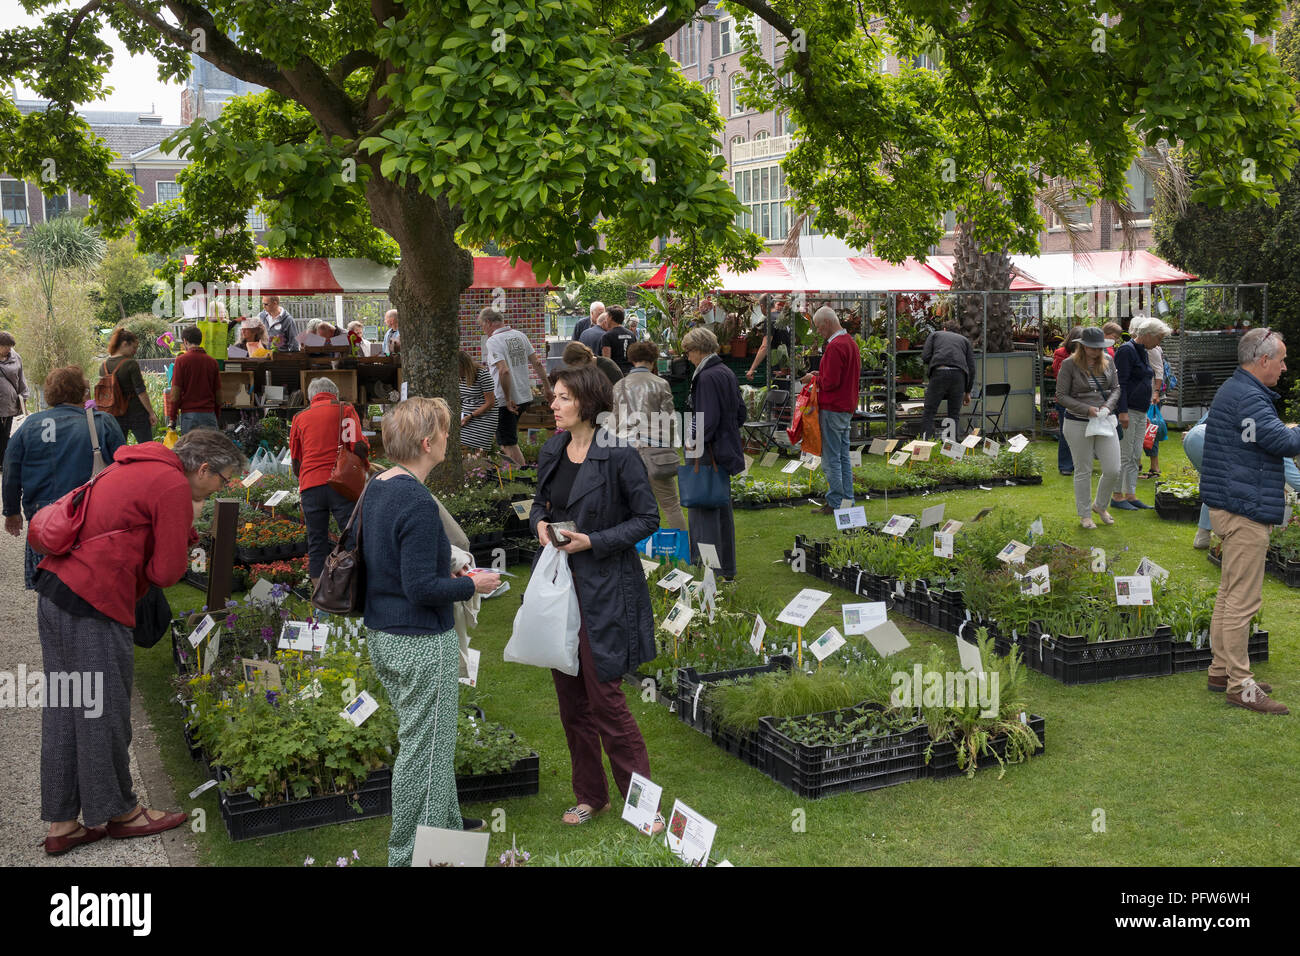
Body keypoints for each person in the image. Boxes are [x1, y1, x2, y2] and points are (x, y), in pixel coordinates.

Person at [32, 428, 246, 854]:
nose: (223, 487)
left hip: (57, 592)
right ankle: (122, 813)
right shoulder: (170, 485)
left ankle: (63, 824)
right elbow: (167, 572)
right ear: (203, 469)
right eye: (223, 480)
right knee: (104, 709)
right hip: (94, 600)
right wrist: (187, 523)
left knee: (65, 708)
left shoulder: (138, 463)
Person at [362, 397, 501, 864]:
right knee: (424, 753)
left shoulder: (378, 484)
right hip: (419, 639)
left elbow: (392, 567)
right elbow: (421, 587)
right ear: (427, 442)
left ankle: (444, 823)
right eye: (444, 431)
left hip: (384, 633)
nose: (448, 437)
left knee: (428, 742)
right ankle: (408, 855)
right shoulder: (418, 501)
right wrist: (472, 584)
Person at [530, 365, 660, 827]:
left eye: (562, 397)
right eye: (554, 397)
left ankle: (642, 805)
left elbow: (647, 519)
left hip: (605, 589)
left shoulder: (619, 455)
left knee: (606, 698)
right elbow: (539, 506)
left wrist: (594, 541)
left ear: (585, 402)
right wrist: (542, 527)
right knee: (571, 700)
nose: (553, 405)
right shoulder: (552, 451)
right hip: (559, 587)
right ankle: (591, 795)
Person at [1199, 327, 1298, 714]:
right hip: (1244, 508)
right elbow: (1283, 442)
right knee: (1243, 599)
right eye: (1281, 360)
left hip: (1232, 503)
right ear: (1263, 360)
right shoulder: (1249, 396)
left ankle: (1220, 671)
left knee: (1229, 592)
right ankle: (1240, 685)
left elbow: (1263, 438)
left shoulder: (1238, 390)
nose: (1284, 367)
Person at [3, 366, 126, 588]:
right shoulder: (102, 423)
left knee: (49, 586)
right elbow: (125, 469)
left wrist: (12, 511)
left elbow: (11, 470)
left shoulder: (29, 425)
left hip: (43, 518)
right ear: (83, 392)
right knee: (90, 582)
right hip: (89, 515)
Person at [290, 377, 370, 587]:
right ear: (334, 394)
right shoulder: (345, 409)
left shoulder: (299, 417)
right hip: (340, 484)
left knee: (316, 542)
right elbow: (358, 446)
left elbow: (296, 461)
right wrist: (365, 463)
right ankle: (354, 590)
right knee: (351, 537)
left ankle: (320, 599)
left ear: (310, 397)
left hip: (310, 486)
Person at [1183, 412, 1300, 550]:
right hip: (1208, 441)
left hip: (1197, 436)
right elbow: (1295, 480)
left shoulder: (1272, 432)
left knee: (1216, 486)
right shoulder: (1281, 444)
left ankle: (1203, 537)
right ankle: (1225, 539)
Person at [682, 327, 745, 580]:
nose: (687, 357)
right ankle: (725, 569)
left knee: (702, 510)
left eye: (688, 351)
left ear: (698, 349)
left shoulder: (706, 376)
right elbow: (742, 413)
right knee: (721, 509)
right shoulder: (726, 371)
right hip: (723, 447)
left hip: (706, 451)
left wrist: (691, 441)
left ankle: (709, 571)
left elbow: (705, 419)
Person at [609, 340, 687, 531]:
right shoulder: (661, 384)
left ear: (631, 359)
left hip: (627, 452)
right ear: (654, 359)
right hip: (656, 451)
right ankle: (684, 551)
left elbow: (614, 421)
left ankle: (638, 552)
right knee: (670, 505)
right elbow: (669, 419)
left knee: (631, 505)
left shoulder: (619, 385)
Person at [1055, 327, 1121, 529]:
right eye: (1092, 348)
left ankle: (1100, 505)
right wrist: (1086, 409)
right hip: (1077, 422)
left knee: (1113, 469)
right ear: (1082, 346)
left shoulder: (1108, 362)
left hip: (1103, 420)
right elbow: (1061, 396)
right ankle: (1084, 515)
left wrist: (1107, 407)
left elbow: (1116, 389)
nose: (1096, 351)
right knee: (1083, 469)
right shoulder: (1069, 365)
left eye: (1099, 347)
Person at [802, 306, 860, 516]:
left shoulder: (835, 346)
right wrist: (822, 372)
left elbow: (831, 382)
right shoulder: (849, 343)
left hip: (833, 407)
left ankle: (836, 501)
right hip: (845, 407)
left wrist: (814, 378)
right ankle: (847, 500)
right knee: (843, 456)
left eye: (818, 327)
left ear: (826, 323)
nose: (818, 332)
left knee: (831, 458)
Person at [479, 307, 553, 467]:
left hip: (504, 401)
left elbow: (503, 371)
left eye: (482, 325)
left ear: (488, 322)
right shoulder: (520, 335)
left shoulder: (493, 341)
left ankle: (523, 476)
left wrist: (507, 399)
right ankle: (500, 471)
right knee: (502, 437)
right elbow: (537, 363)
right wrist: (547, 388)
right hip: (524, 396)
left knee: (508, 443)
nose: (483, 329)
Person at [1111, 315, 1171, 510]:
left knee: (1136, 453)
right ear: (1148, 335)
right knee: (1125, 453)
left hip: (1141, 409)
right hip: (1129, 410)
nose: (1159, 343)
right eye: (1159, 338)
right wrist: (1123, 411)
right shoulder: (1126, 351)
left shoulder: (1143, 350)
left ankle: (1131, 493)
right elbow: (1121, 384)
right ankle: (1117, 495)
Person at [101, 328, 160, 445]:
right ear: (124, 344)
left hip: (115, 413)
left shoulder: (103, 366)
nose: (135, 351)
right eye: (134, 347)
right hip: (136, 413)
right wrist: (151, 413)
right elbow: (140, 391)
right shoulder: (130, 363)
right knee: (146, 447)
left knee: (119, 450)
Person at [919, 318, 976, 439]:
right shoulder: (964, 341)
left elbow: (925, 356)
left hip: (939, 372)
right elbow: (971, 368)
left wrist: (936, 362)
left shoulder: (935, 335)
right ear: (957, 332)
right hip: (959, 376)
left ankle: (926, 444)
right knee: (954, 414)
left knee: (929, 411)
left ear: (944, 329)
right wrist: (968, 391)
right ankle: (952, 447)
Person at [169, 324, 222, 434]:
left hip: (189, 416)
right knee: (210, 449)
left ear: (185, 341)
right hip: (209, 415)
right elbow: (218, 394)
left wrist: (172, 418)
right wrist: (216, 414)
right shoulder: (212, 362)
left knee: (190, 450)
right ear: (200, 340)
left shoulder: (181, 361)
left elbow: (175, 393)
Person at [1051, 326, 1084, 475]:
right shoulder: (1061, 354)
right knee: (1066, 433)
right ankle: (1065, 465)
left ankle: (1079, 463)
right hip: (1066, 399)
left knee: (1082, 434)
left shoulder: (1086, 355)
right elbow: (1059, 376)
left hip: (1082, 399)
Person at [457, 350, 497, 454]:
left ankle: (479, 468)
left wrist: (471, 415)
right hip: (466, 415)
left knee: (479, 448)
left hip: (484, 415)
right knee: (461, 444)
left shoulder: (482, 374)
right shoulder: (458, 377)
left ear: (464, 365)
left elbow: (490, 402)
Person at [0, 330, 31, 467]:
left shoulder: (16, 357)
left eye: (10, 346)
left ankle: (4, 461)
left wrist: (24, 396)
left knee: (6, 433)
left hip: (10, 403)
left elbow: (21, 378)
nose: (8, 349)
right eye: (5, 346)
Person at [746, 294, 793, 382]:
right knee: (785, 394)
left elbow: (764, 346)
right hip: (787, 367)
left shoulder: (770, 319)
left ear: (762, 306)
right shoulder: (783, 318)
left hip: (777, 367)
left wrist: (752, 369)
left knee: (777, 393)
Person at [1140, 339, 1166, 479]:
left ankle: (1154, 467)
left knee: (1150, 431)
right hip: (1144, 395)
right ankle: (1138, 464)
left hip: (1151, 397)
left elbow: (1159, 372)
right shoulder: (1142, 347)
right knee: (1142, 430)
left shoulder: (1152, 349)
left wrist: (1156, 393)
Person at [600, 306, 637, 375]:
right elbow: (635, 356)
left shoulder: (607, 336)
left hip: (616, 374)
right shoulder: (631, 334)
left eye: (606, 317)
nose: (605, 320)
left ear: (610, 318)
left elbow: (607, 361)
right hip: (631, 373)